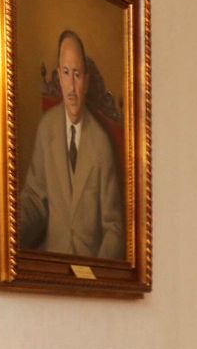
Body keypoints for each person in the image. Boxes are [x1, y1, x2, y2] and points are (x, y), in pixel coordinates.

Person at [18, 29, 124, 259]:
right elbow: (35, 199)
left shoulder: (101, 143)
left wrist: (99, 273)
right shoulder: (47, 128)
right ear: (58, 76)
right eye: (66, 73)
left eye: (77, 74)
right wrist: (9, 229)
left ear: (85, 81)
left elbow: (114, 227)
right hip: (54, 267)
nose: (72, 88)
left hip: (90, 272)